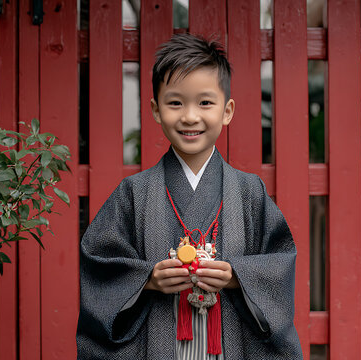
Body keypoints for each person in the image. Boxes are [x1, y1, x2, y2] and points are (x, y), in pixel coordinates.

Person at [76, 33, 302, 360]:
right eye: (176, 102)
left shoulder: (249, 191)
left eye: (205, 103)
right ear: (155, 109)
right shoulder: (134, 193)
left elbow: (279, 264)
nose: (190, 116)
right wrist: (147, 280)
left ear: (227, 111)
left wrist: (237, 276)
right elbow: (100, 268)